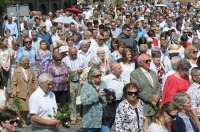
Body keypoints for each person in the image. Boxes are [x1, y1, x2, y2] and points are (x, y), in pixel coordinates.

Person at [130, 54, 162, 125]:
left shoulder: (153, 72)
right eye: (147, 61)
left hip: (156, 107)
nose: (149, 62)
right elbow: (137, 90)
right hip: (145, 108)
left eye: (150, 61)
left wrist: (157, 97)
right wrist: (151, 99)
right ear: (140, 63)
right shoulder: (135, 74)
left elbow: (159, 86)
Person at [11, 56, 38, 128]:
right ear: (21, 63)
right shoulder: (17, 70)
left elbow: (35, 80)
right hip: (20, 92)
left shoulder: (31, 69)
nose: (27, 65)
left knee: (28, 109)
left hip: (30, 91)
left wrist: (37, 90)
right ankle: (22, 121)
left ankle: (24, 118)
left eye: (28, 63)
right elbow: (13, 83)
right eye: (25, 63)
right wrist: (14, 92)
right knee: (23, 108)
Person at [62, 47, 86, 125]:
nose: (73, 56)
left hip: (80, 81)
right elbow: (62, 70)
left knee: (79, 98)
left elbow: (85, 67)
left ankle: (78, 113)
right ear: (69, 53)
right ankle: (73, 117)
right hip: (70, 81)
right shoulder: (65, 60)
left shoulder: (81, 58)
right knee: (72, 98)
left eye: (74, 54)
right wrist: (68, 71)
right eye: (71, 54)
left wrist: (81, 69)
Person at [102, 62, 125, 130]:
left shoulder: (121, 78)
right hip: (109, 103)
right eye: (119, 68)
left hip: (119, 102)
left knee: (117, 120)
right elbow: (101, 89)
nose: (121, 70)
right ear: (113, 70)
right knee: (108, 120)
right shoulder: (107, 78)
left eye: (121, 68)